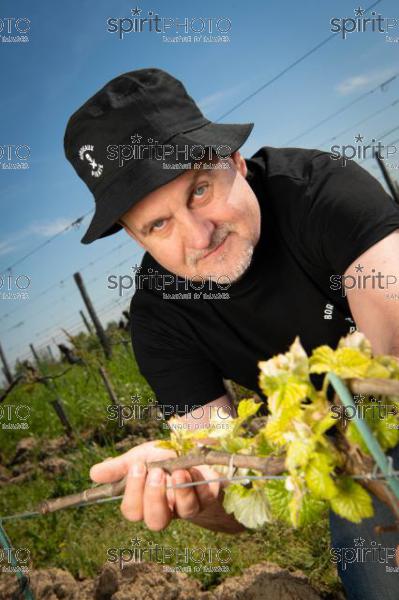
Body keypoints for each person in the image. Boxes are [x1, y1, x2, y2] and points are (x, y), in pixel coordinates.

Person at [64, 68, 399, 599]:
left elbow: (394, 342)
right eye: (158, 224)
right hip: (348, 453)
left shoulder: (319, 189)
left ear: (235, 161)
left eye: (198, 191)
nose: (197, 235)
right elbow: (238, 507)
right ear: (133, 236)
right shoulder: (161, 319)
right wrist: (194, 483)